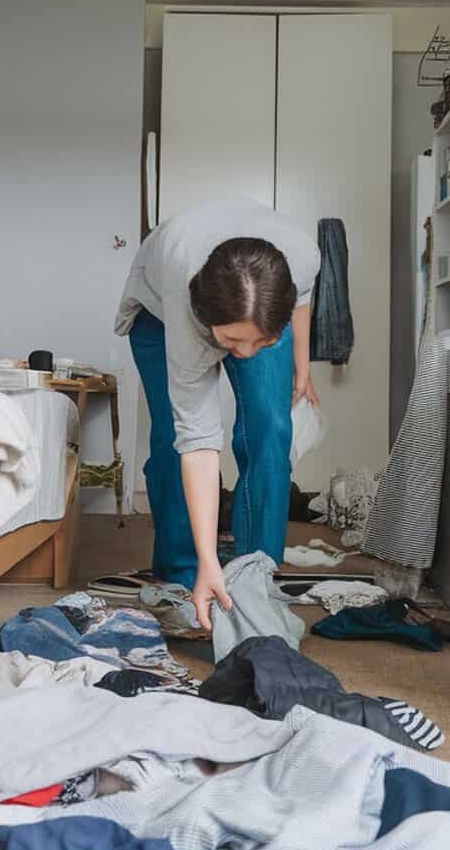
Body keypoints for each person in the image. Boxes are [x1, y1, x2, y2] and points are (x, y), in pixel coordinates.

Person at [115, 199, 320, 631]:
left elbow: (300, 297)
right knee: (175, 437)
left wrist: (302, 363)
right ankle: (185, 575)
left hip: (254, 306)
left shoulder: (303, 254)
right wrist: (210, 561)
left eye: (258, 343)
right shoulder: (181, 294)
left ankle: (255, 576)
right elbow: (199, 446)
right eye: (232, 341)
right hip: (159, 315)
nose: (243, 355)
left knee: (271, 430)